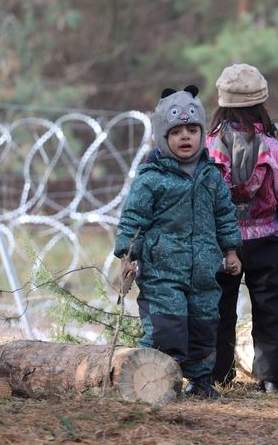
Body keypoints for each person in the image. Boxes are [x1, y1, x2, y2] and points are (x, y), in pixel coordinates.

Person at [114, 85, 242, 398]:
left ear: (202, 134)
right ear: (162, 136)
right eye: (176, 132)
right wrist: (127, 255)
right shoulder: (152, 177)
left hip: (203, 272)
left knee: (203, 328)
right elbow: (134, 219)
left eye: (192, 129)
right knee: (167, 328)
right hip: (163, 273)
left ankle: (200, 382)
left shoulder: (211, 176)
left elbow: (225, 215)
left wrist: (230, 250)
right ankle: (151, 381)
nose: (185, 137)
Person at [206, 63, 278, 393]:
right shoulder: (275, 150)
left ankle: (216, 375)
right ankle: (272, 378)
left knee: (219, 307)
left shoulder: (207, 150)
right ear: (261, 102)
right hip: (267, 240)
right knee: (271, 308)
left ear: (221, 103)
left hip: (221, 243)